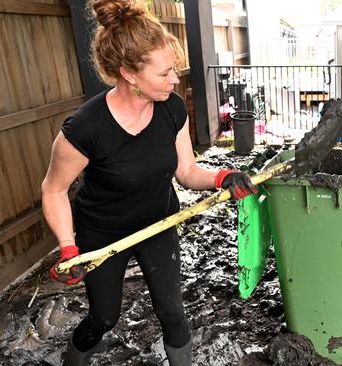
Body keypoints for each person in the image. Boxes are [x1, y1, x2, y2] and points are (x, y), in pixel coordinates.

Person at [40, 1, 256, 365]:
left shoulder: (171, 108)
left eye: (174, 69)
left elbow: (186, 171)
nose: (175, 80)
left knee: (173, 313)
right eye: (165, 73)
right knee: (104, 318)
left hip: (158, 223)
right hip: (104, 235)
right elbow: (54, 189)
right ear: (129, 74)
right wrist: (67, 248)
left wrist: (223, 177)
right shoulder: (86, 128)